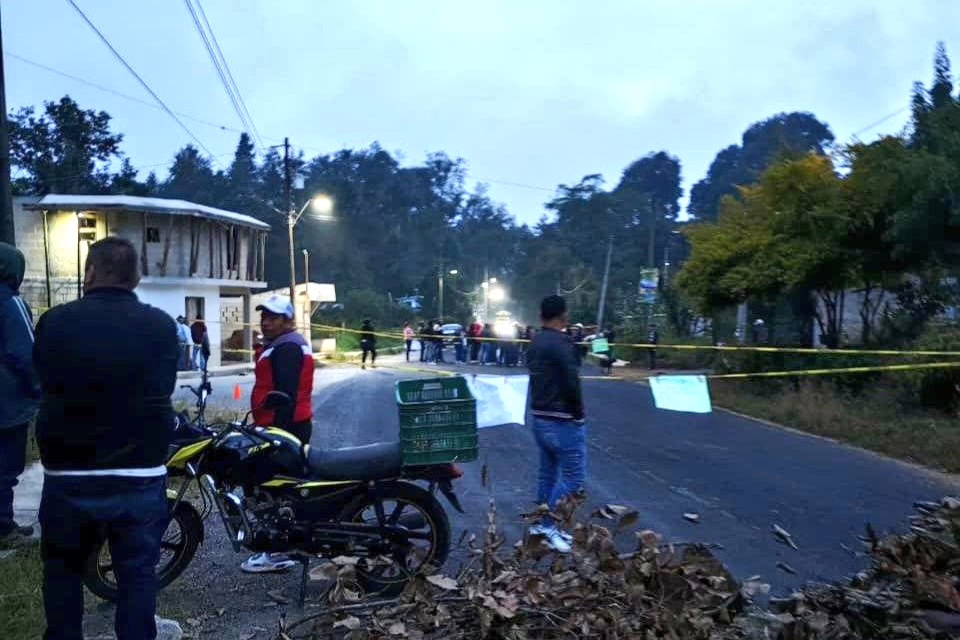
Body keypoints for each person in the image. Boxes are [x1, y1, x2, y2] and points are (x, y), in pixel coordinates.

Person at [33, 237, 179, 640]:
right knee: (137, 575)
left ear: (91, 272)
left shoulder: (55, 322)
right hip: (140, 473)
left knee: (61, 571)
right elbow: (163, 387)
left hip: (68, 474)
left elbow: (42, 381)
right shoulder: (162, 326)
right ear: (136, 277)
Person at [243, 294, 315, 573]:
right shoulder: (282, 344)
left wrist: (276, 436)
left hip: (286, 426)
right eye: (263, 316)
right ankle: (281, 544)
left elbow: (284, 396)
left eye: (272, 317)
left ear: (287, 321)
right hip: (280, 425)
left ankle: (278, 551)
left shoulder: (288, 347)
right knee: (275, 487)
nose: (265, 321)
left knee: (275, 488)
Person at [525, 295, 586, 553]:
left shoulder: (535, 342)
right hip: (563, 419)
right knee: (573, 477)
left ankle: (541, 525)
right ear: (564, 316)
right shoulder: (563, 344)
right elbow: (571, 382)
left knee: (547, 474)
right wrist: (579, 413)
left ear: (541, 316)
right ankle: (550, 525)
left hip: (540, 417)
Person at [0, 242, 40, 543]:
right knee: (6, 466)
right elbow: (26, 353)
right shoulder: (8, 302)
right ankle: (4, 528)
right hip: (7, 403)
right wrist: (40, 390)